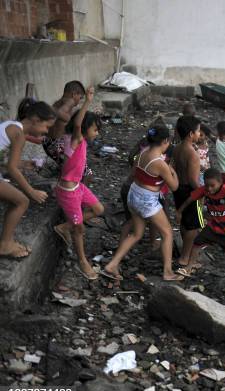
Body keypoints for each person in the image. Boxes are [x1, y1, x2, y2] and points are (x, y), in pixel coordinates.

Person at [103, 125, 183, 281]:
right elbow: (174, 186)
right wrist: (172, 170)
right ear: (165, 141)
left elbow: (133, 173)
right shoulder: (159, 163)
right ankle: (167, 272)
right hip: (147, 200)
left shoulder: (142, 152)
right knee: (167, 232)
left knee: (136, 234)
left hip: (133, 193)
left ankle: (112, 265)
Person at [53, 87, 105, 280]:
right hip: (68, 192)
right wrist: (87, 102)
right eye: (95, 129)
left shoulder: (78, 140)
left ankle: (64, 227)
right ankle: (83, 262)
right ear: (84, 129)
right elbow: (77, 124)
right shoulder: (75, 138)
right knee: (79, 229)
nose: (97, 133)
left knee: (99, 209)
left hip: (78, 187)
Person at [0, 99, 54, 258]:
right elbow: (11, 169)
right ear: (36, 119)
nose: (46, 132)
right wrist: (32, 192)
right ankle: (5, 245)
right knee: (22, 201)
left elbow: (6, 162)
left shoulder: (11, 125)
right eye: (46, 127)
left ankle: (6, 240)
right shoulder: (20, 134)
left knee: (14, 199)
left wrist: (22, 164)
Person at [172, 115, 205, 269]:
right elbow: (193, 180)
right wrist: (203, 192)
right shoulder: (193, 154)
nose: (200, 134)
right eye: (198, 131)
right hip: (190, 192)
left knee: (185, 222)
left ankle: (184, 253)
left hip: (178, 189)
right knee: (193, 226)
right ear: (191, 134)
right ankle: (185, 258)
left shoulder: (177, 148)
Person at [41, 81, 86, 164]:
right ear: (74, 94)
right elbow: (59, 112)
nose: (79, 101)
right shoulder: (70, 101)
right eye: (80, 98)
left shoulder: (58, 102)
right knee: (79, 166)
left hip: (47, 142)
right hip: (57, 145)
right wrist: (69, 120)